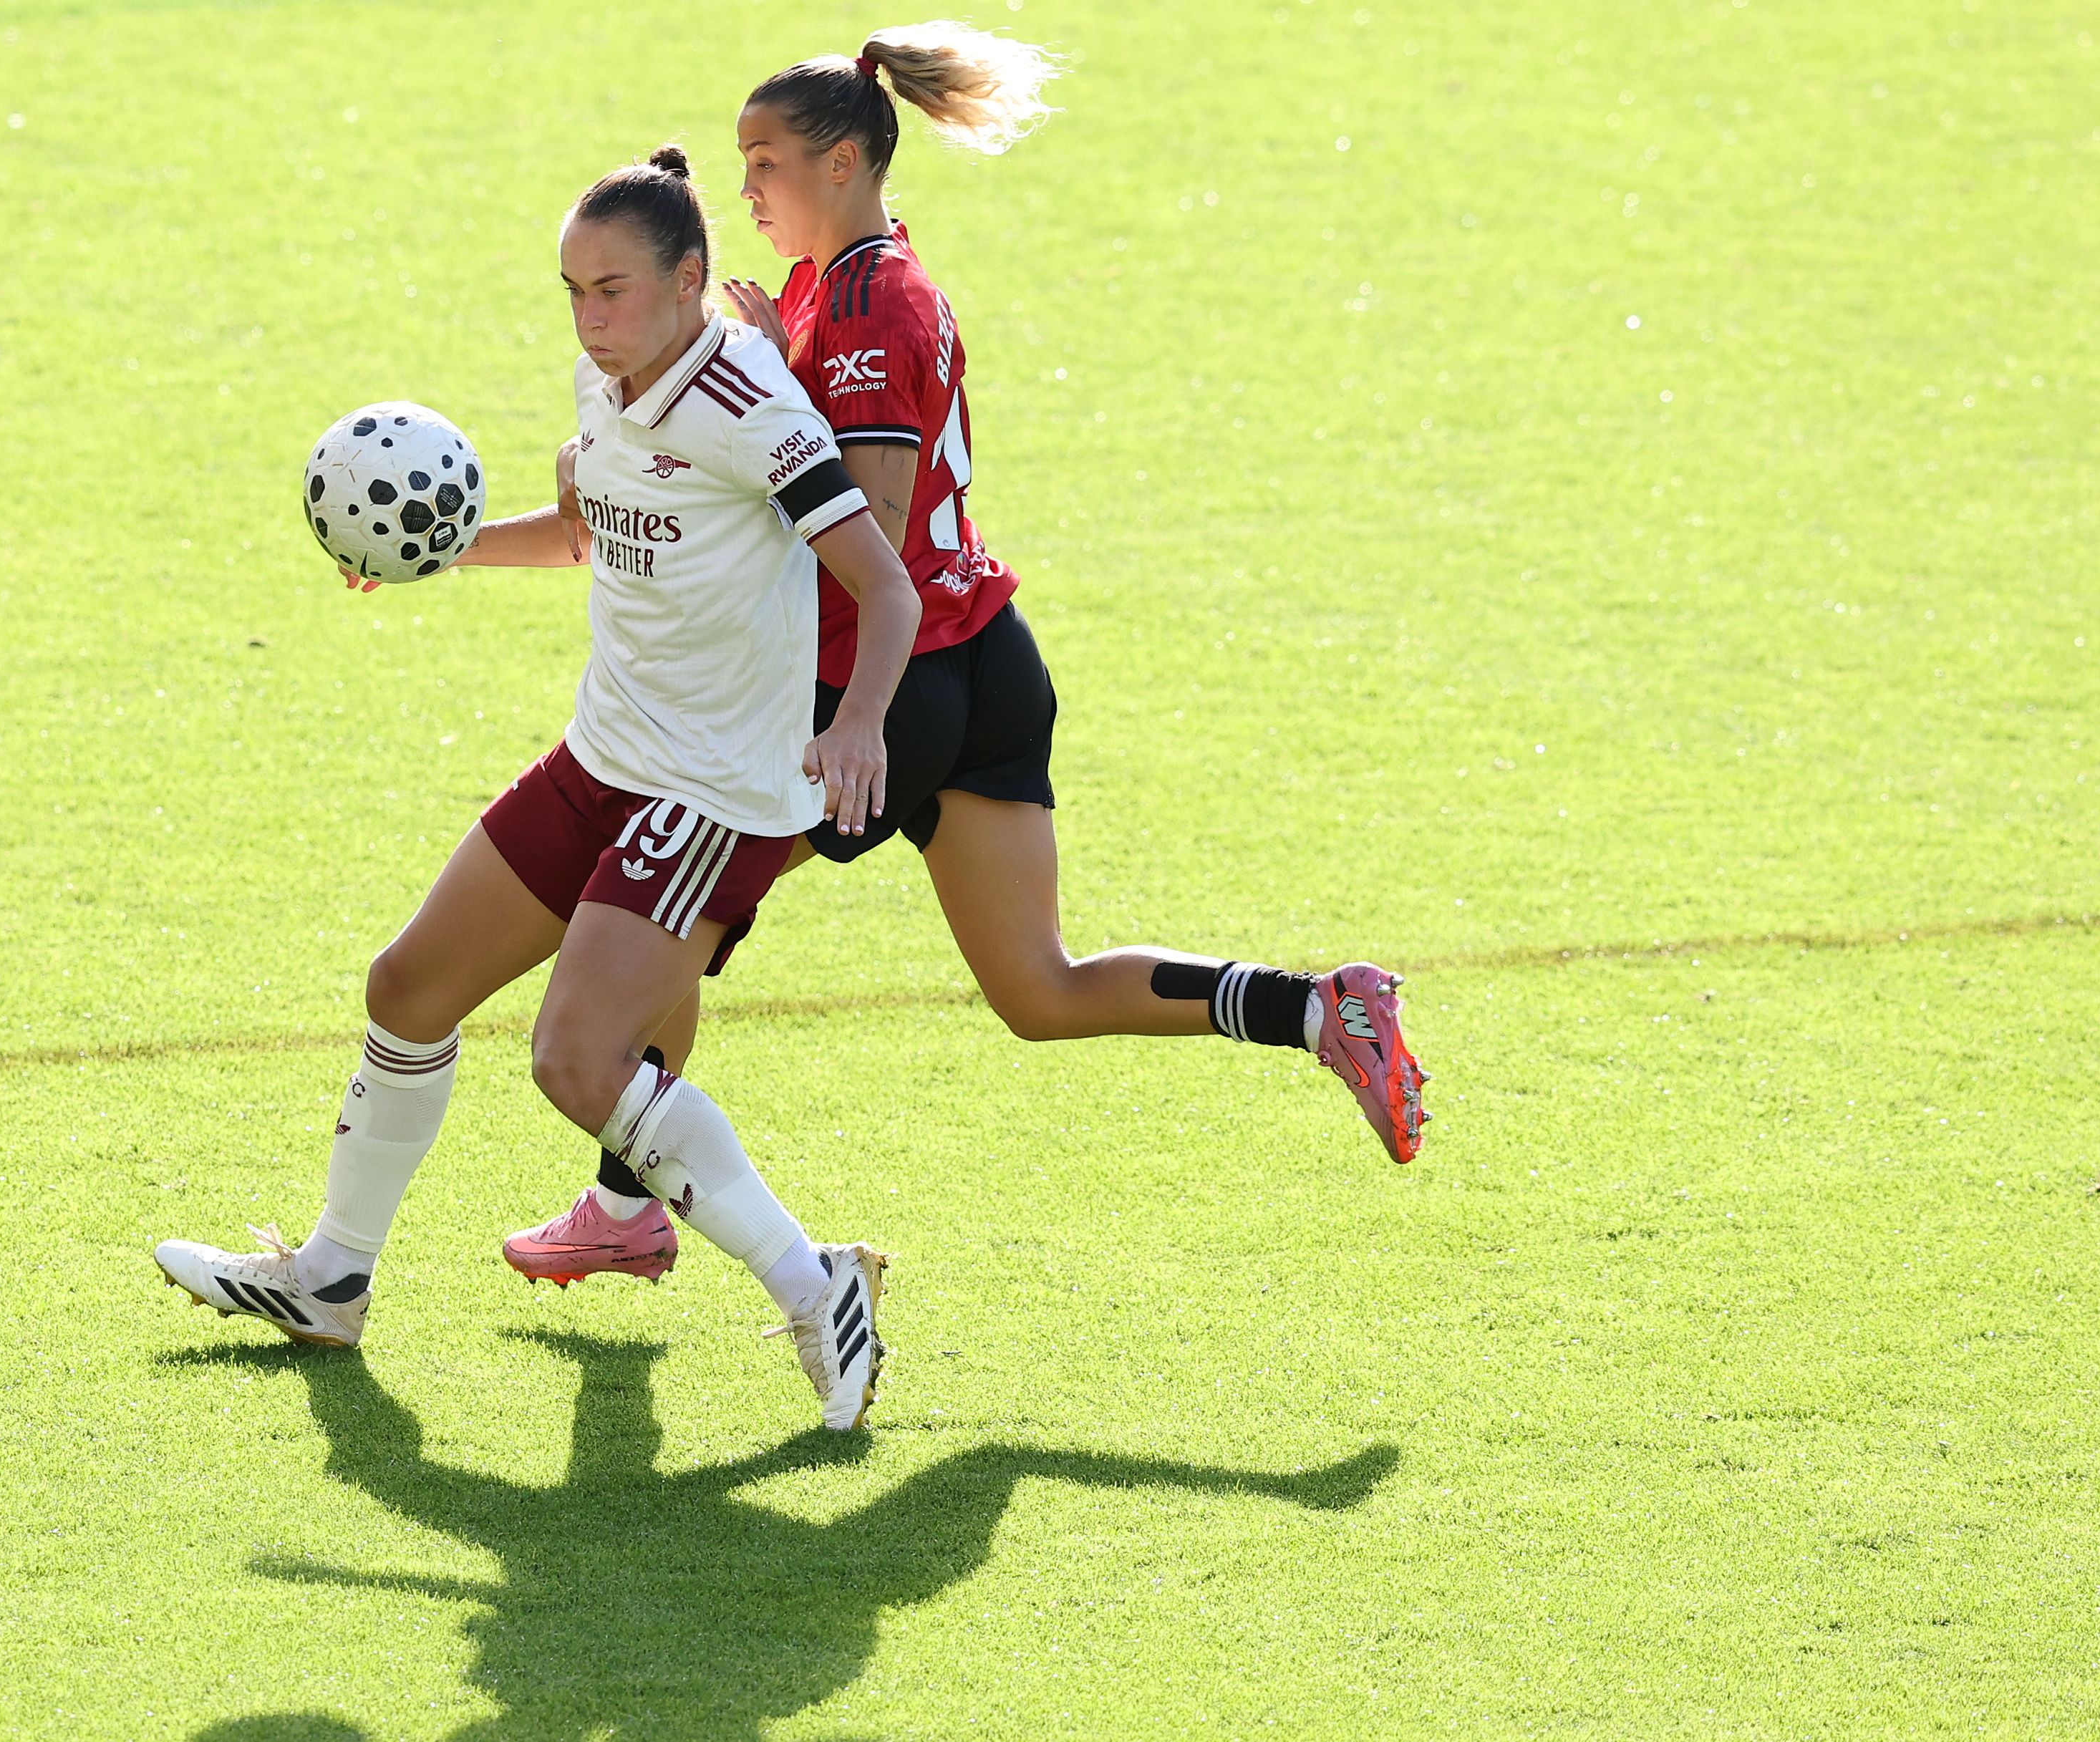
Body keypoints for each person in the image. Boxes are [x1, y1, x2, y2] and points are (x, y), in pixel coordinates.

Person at [504, 25, 1430, 1290]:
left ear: (841, 163)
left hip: (893, 688)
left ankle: (625, 1204)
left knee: (664, 919)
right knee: (1036, 989)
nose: (746, 192)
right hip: (987, 656)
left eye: (763, 162)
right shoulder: (842, 286)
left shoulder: (875, 298)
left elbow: (871, 529)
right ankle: (1320, 1008)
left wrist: (853, 706)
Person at [155, 147, 925, 1431]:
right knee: (407, 988)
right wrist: (438, 553)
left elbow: (883, 584)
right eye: (572, 290)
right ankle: (330, 1282)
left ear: (690, 281)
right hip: (603, 758)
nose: (590, 318)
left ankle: (816, 1285)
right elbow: (590, 529)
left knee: (574, 1060)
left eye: (613, 290)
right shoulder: (609, 381)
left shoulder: (756, 408)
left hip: (710, 793)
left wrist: (855, 726)